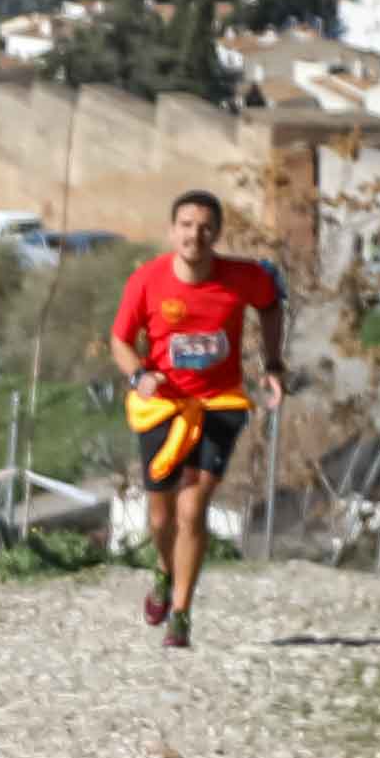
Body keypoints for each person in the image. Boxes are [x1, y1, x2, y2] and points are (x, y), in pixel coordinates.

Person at [106, 188, 284, 647]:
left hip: (220, 403)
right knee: (162, 518)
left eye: (205, 227)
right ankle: (164, 573)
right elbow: (121, 341)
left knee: (193, 505)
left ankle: (181, 612)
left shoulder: (242, 277)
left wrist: (274, 363)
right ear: (172, 231)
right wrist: (137, 375)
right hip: (163, 403)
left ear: (217, 233)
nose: (195, 235)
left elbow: (269, 304)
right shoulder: (147, 280)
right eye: (186, 225)